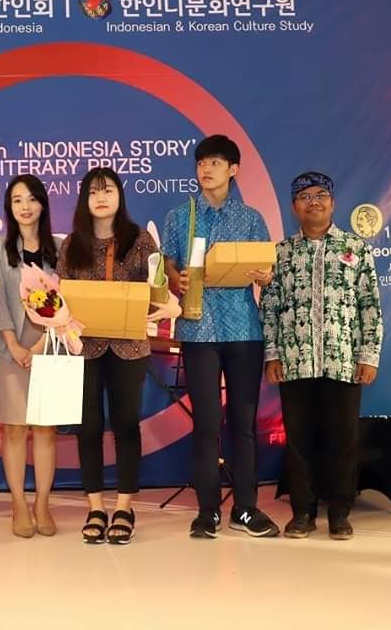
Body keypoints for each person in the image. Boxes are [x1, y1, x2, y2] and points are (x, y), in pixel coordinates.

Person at [161, 134, 279, 539]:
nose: (206, 169)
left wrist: (265, 274)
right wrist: (173, 277)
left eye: (214, 162)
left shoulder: (251, 218)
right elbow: (168, 264)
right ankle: (207, 510)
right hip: (198, 329)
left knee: (243, 423)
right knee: (207, 423)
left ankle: (245, 507)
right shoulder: (180, 216)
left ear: (233, 170)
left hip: (244, 329)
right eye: (201, 163)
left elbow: (267, 270)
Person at [260, 171, 383, 540]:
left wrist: (369, 355)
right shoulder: (281, 253)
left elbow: (369, 304)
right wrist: (272, 354)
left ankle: (340, 512)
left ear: (332, 203)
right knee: (299, 441)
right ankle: (302, 512)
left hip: (342, 359)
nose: (313, 202)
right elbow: (271, 306)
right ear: (294, 207)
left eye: (320, 195)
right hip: (295, 360)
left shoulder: (356, 248)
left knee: (343, 439)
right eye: (304, 197)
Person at [57, 167, 173, 545]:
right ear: (84, 200)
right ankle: (95, 506)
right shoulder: (71, 245)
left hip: (129, 348)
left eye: (108, 190)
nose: (101, 198)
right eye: (93, 192)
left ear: (120, 196)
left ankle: (124, 506)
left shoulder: (140, 240)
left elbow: (157, 291)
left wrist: (163, 304)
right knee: (88, 426)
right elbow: (60, 298)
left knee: (126, 424)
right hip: (85, 348)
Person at [0, 175, 60, 538]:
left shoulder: (61, 248)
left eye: (31, 199)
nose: (25, 207)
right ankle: (18, 503)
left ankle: (42, 504)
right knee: (15, 429)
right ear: (9, 207)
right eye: (17, 200)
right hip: (9, 349)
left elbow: (69, 301)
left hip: (51, 347)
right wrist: (14, 344)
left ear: (43, 204)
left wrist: (42, 343)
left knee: (46, 430)